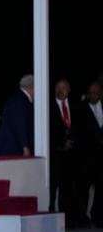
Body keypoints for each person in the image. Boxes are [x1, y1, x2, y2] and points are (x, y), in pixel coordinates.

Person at [49, 78, 78, 223]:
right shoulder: (48, 106)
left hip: (71, 156)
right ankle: (49, 217)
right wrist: (61, 143)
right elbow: (48, 130)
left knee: (67, 188)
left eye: (64, 87)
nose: (60, 90)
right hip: (54, 154)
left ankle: (67, 219)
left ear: (69, 89)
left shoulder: (76, 106)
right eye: (58, 87)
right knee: (52, 187)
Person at [75, 81, 103, 227]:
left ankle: (98, 217)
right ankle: (82, 218)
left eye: (97, 93)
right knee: (83, 189)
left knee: (101, 188)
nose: (94, 95)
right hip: (86, 157)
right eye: (91, 93)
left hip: (101, 157)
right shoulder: (81, 108)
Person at [0, 74, 35, 156]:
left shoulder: (17, 98)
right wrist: (25, 146)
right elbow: (19, 124)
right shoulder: (21, 100)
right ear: (31, 86)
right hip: (11, 149)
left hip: (10, 148)